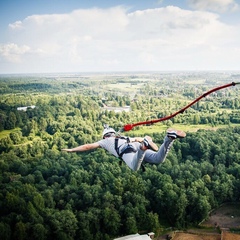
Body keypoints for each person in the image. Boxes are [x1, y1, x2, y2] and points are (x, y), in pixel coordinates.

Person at [62, 126, 186, 171]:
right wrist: (147, 141)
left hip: (128, 151)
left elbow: (88, 146)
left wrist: (72, 150)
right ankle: (169, 139)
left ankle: (143, 148)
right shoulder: (124, 137)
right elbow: (147, 144)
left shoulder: (105, 142)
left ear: (105, 136)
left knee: (134, 167)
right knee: (158, 159)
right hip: (135, 144)